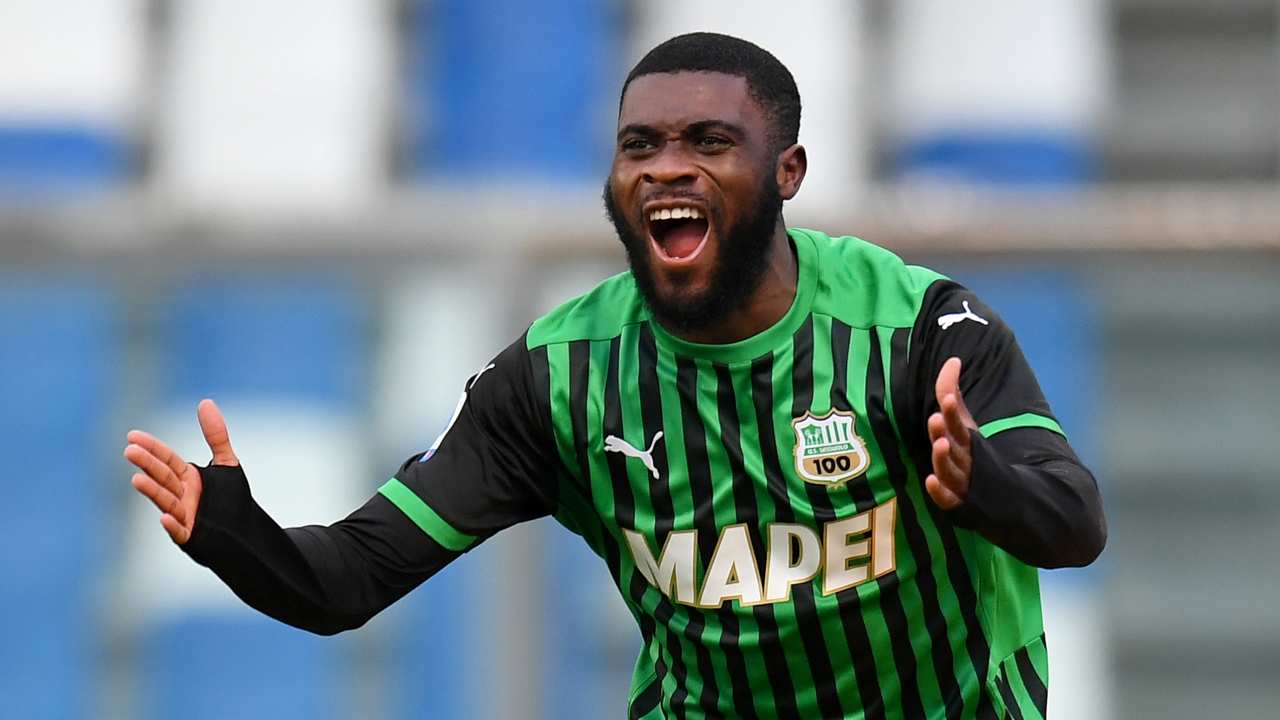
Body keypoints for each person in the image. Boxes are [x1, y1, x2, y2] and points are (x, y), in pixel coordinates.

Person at [124, 32, 1106, 720]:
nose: (664, 169)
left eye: (707, 143)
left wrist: (984, 490)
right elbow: (349, 578)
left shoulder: (915, 329)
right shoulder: (558, 379)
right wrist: (233, 537)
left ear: (786, 172)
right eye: (639, 145)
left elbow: (1072, 522)